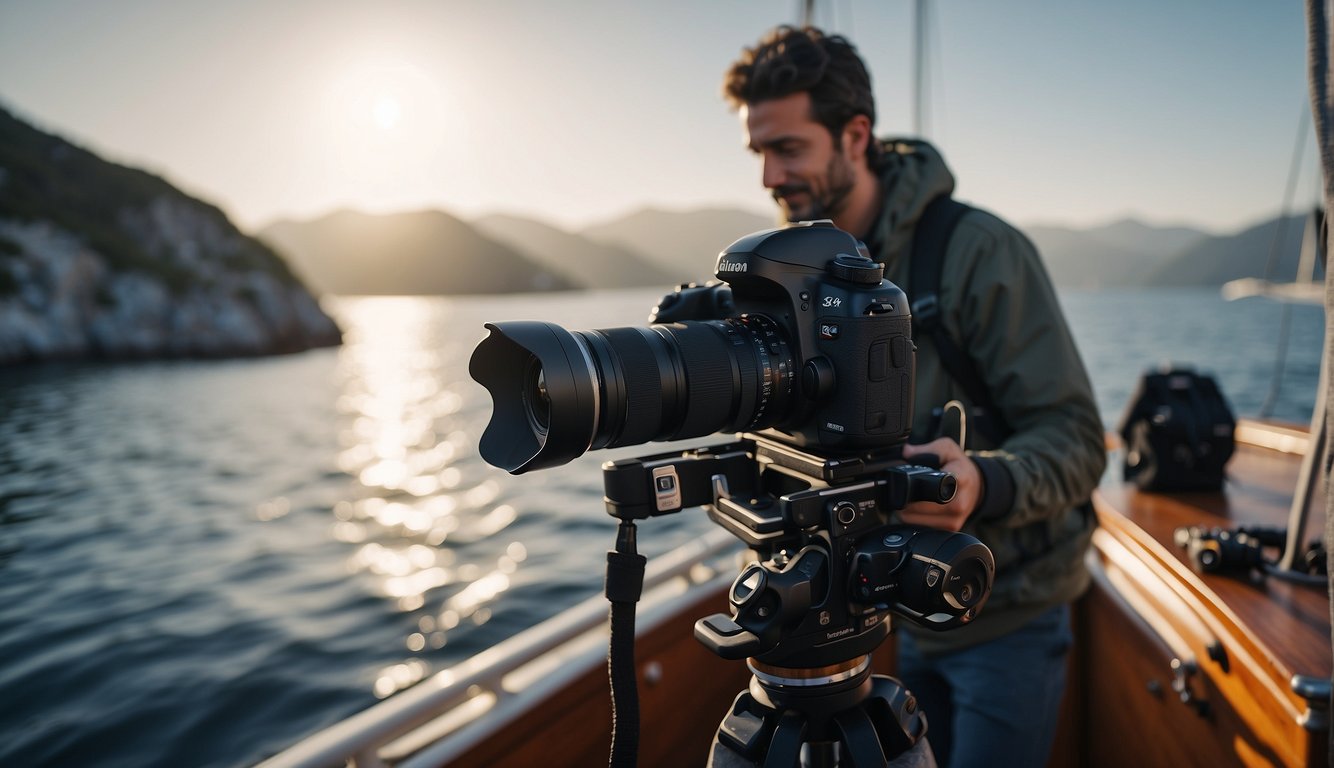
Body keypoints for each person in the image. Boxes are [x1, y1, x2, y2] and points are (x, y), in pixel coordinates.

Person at [722, 26, 1107, 768]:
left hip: (1007, 617)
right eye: (758, 153)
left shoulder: (978, 254)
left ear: (855, 135)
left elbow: (1078, 439)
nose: (770, 176)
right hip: (884, 614)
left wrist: (982, 480)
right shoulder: (781, 282)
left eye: (790, 149)